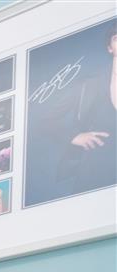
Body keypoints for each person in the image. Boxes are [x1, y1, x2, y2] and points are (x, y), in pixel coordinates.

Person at [55, 26, 117, 196]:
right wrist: (73, 136)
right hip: (96, 169)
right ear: (109, 48)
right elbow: (47, 120)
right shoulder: (88, 84)